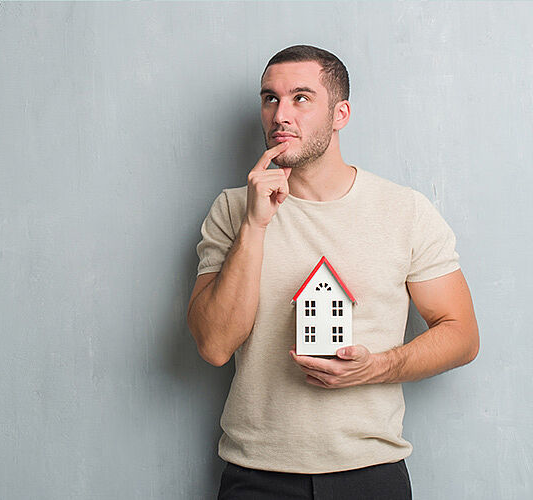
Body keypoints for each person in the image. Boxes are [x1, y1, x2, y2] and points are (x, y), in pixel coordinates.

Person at [186, 45, 479, 499]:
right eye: (270, 99)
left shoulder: (405, 211)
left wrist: (377, 368)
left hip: (370, 470)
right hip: (255, 473)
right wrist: (255, 224)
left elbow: (462, 335)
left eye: (301, 98)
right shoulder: (231, 210)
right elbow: (214, 345)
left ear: (340, 113)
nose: (281, 115)